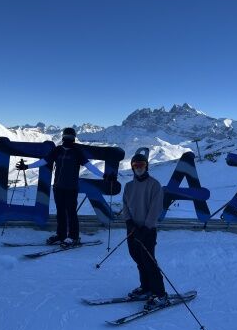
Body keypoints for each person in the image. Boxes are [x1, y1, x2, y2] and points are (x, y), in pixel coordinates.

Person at [16, 127, 115, 246]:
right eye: (67, 137)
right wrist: (27, 167)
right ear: (64, 137)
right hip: (58, 188)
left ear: (73, 138)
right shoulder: (57, 150)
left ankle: (74, 237)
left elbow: (89, 166)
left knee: (71, 213)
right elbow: (45, 161)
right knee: (61, 212)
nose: (68, 139)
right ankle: (61, 235)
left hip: (71, 188)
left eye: (70, 137)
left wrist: (104, 176)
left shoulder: (77, 152)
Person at [122, 153, 168, 310]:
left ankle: (160, 294)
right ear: (132, 167)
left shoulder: (154, 185)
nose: (139, 168)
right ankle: (147, 288)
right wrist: (129, 223)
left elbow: (156, 208)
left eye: (142, 165)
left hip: (147, 231)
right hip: (133, 230)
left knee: (149, 261)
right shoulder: (128, 186)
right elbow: (126, 207)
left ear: (146, 166)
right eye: (136, 165)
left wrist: (147, 227)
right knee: (138, 259)